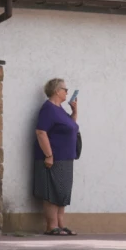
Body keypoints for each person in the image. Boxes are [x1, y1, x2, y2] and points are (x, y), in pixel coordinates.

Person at [33, 77, 79, 235]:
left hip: (66, 157)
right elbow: (41, 132)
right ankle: (51, 226)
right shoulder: (48, 109)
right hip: (54, 158)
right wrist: (49, 155)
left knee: (62, 191)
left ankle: (60, 224)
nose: (67, 92)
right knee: (52, 192)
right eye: (65, 89)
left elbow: (71, 127)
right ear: (56, 91)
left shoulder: (60, 110)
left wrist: (74, 112)